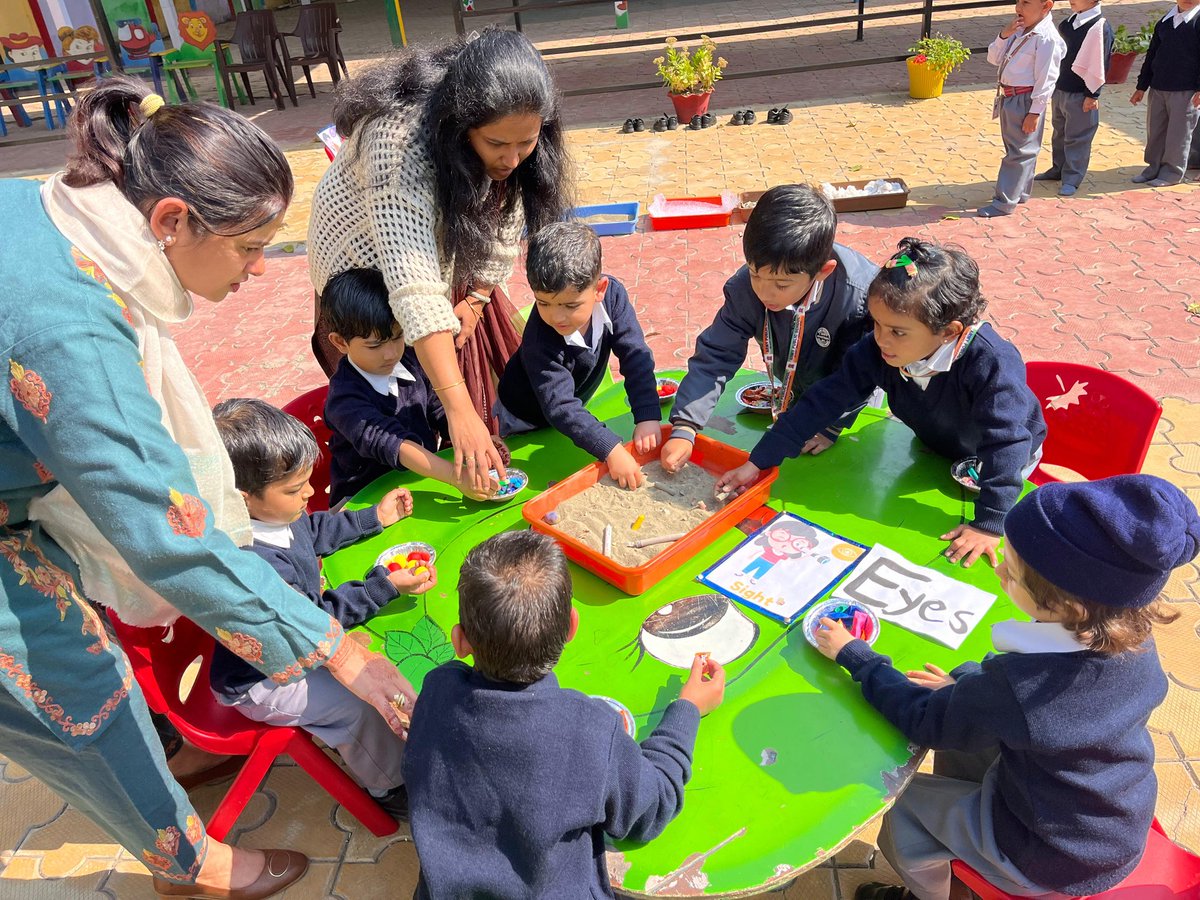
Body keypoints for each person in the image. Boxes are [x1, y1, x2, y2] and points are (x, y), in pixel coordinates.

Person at [0, 79, 416, 900]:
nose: (262, 271)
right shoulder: (71, 331)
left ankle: (178, 774)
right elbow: (168, 533)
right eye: (249, 246)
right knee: (84, 694)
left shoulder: (65, 221)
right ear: (169, 221)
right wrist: (342, 650)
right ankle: (190, 869)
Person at [815, 475, 1199, 900]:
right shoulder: (1133, 635)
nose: (998, 570)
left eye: (1011, 572)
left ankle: (926, 896)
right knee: (966, 744)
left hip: (1047, 856)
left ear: (1065, 607)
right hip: (1110, 821)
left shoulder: (1020, 687)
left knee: (902, 808)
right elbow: (1029, 711)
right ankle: (959, 847)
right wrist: (966, 687)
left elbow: (925, 721)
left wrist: (859, 657)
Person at [308, 28, 574, 494]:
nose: (512, 158)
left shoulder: (516, 141)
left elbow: (504, 221)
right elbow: (413, 288)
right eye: (496, 144)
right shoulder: (397, 140)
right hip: (365, 287)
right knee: (390, 413)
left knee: (445, 398)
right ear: (459, 125)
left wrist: (476, 298)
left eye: (526, 143)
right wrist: (460, 411)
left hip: (445, 270)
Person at [402, 531, 726, 898]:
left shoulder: (437, 692)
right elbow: (652, 808)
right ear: (572, 626)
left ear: (459, 642)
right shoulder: (588, 728)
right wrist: (688, 711)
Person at [717, 239, 1046, 568]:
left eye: (898, 332)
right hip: (937, 441)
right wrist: (758, 462)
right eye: (876, 324)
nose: (881, 340)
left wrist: (989, 524)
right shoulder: (878, 350)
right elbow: (822, 401)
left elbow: (1007, 442)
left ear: (949, 331)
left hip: (1002, 458)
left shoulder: (992, 363)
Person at [212, 399, 436, 816]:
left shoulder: (276, 515)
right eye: (296, 489)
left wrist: (374, 518)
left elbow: (313, 529)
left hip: (304, 639)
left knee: (373, 666)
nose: (311, 493)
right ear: (243, 499)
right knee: (356, 705)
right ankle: (390, 787)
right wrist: (381, 588)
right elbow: (311, 624)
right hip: (262, 679)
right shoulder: (251, 563)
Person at [659, 184, 876, 474]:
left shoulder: (860, 299)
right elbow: (716, 355)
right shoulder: (745, 288)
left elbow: (855, 379)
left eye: (781, 285)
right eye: (754, 273)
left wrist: (830, 427)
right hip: (792, 388)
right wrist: (685, 426)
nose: (764, 292)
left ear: (823, 271)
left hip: (843, 404)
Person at [495, 222, 661, 489]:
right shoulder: (540, 337)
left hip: (571, 407)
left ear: (600, 289)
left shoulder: (614, 297)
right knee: (539, 475)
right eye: (543, 303)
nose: (555, 317)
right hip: (522, 418)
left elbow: (635, 356)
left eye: (570, 305)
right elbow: (559, 406)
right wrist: (611, 450)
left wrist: (647, 415)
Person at [321, 268, 504, 506]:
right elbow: (394, 444)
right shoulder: (343, 398)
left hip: (421, 481)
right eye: (374, 345)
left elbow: (440, 411)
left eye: (398, 337)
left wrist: (476, 444)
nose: (390, 353)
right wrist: (453, 477)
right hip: (363, 500)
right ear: (340, 342)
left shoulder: (411, 360)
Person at [978, 0, 1066, 217]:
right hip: (1009, 96)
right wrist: (1004, 34)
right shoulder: (1020, 30)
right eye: (1018, 1)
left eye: (1026, 2)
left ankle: (1004, 202)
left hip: (1026, 98)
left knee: (1020, 152)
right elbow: (993, 58)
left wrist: (1035, 111)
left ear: (1046, 6)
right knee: (1018, 148)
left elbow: (1047, 79)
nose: (1019, 7)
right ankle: (1020, 192)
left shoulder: (1046, 38)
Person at [1033, 0, 1114, 195]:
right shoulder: (1069, 23)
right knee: (1059, 131)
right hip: (1061, 88)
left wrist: (1092, 94)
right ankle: (1058, 168)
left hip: (1081, 93)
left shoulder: (1099, 27)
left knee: (1078, 137)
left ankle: (1072, 178)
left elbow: (1101, 62)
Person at [1130, 0, 1200, 187]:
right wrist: (1141, 86)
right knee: (1156, 130)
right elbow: (1152, 54)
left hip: (1185, 90)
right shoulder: (1165, 21)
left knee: (1179, 133)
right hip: (1158, 87)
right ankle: (1153, 167)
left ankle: (1172, 172)